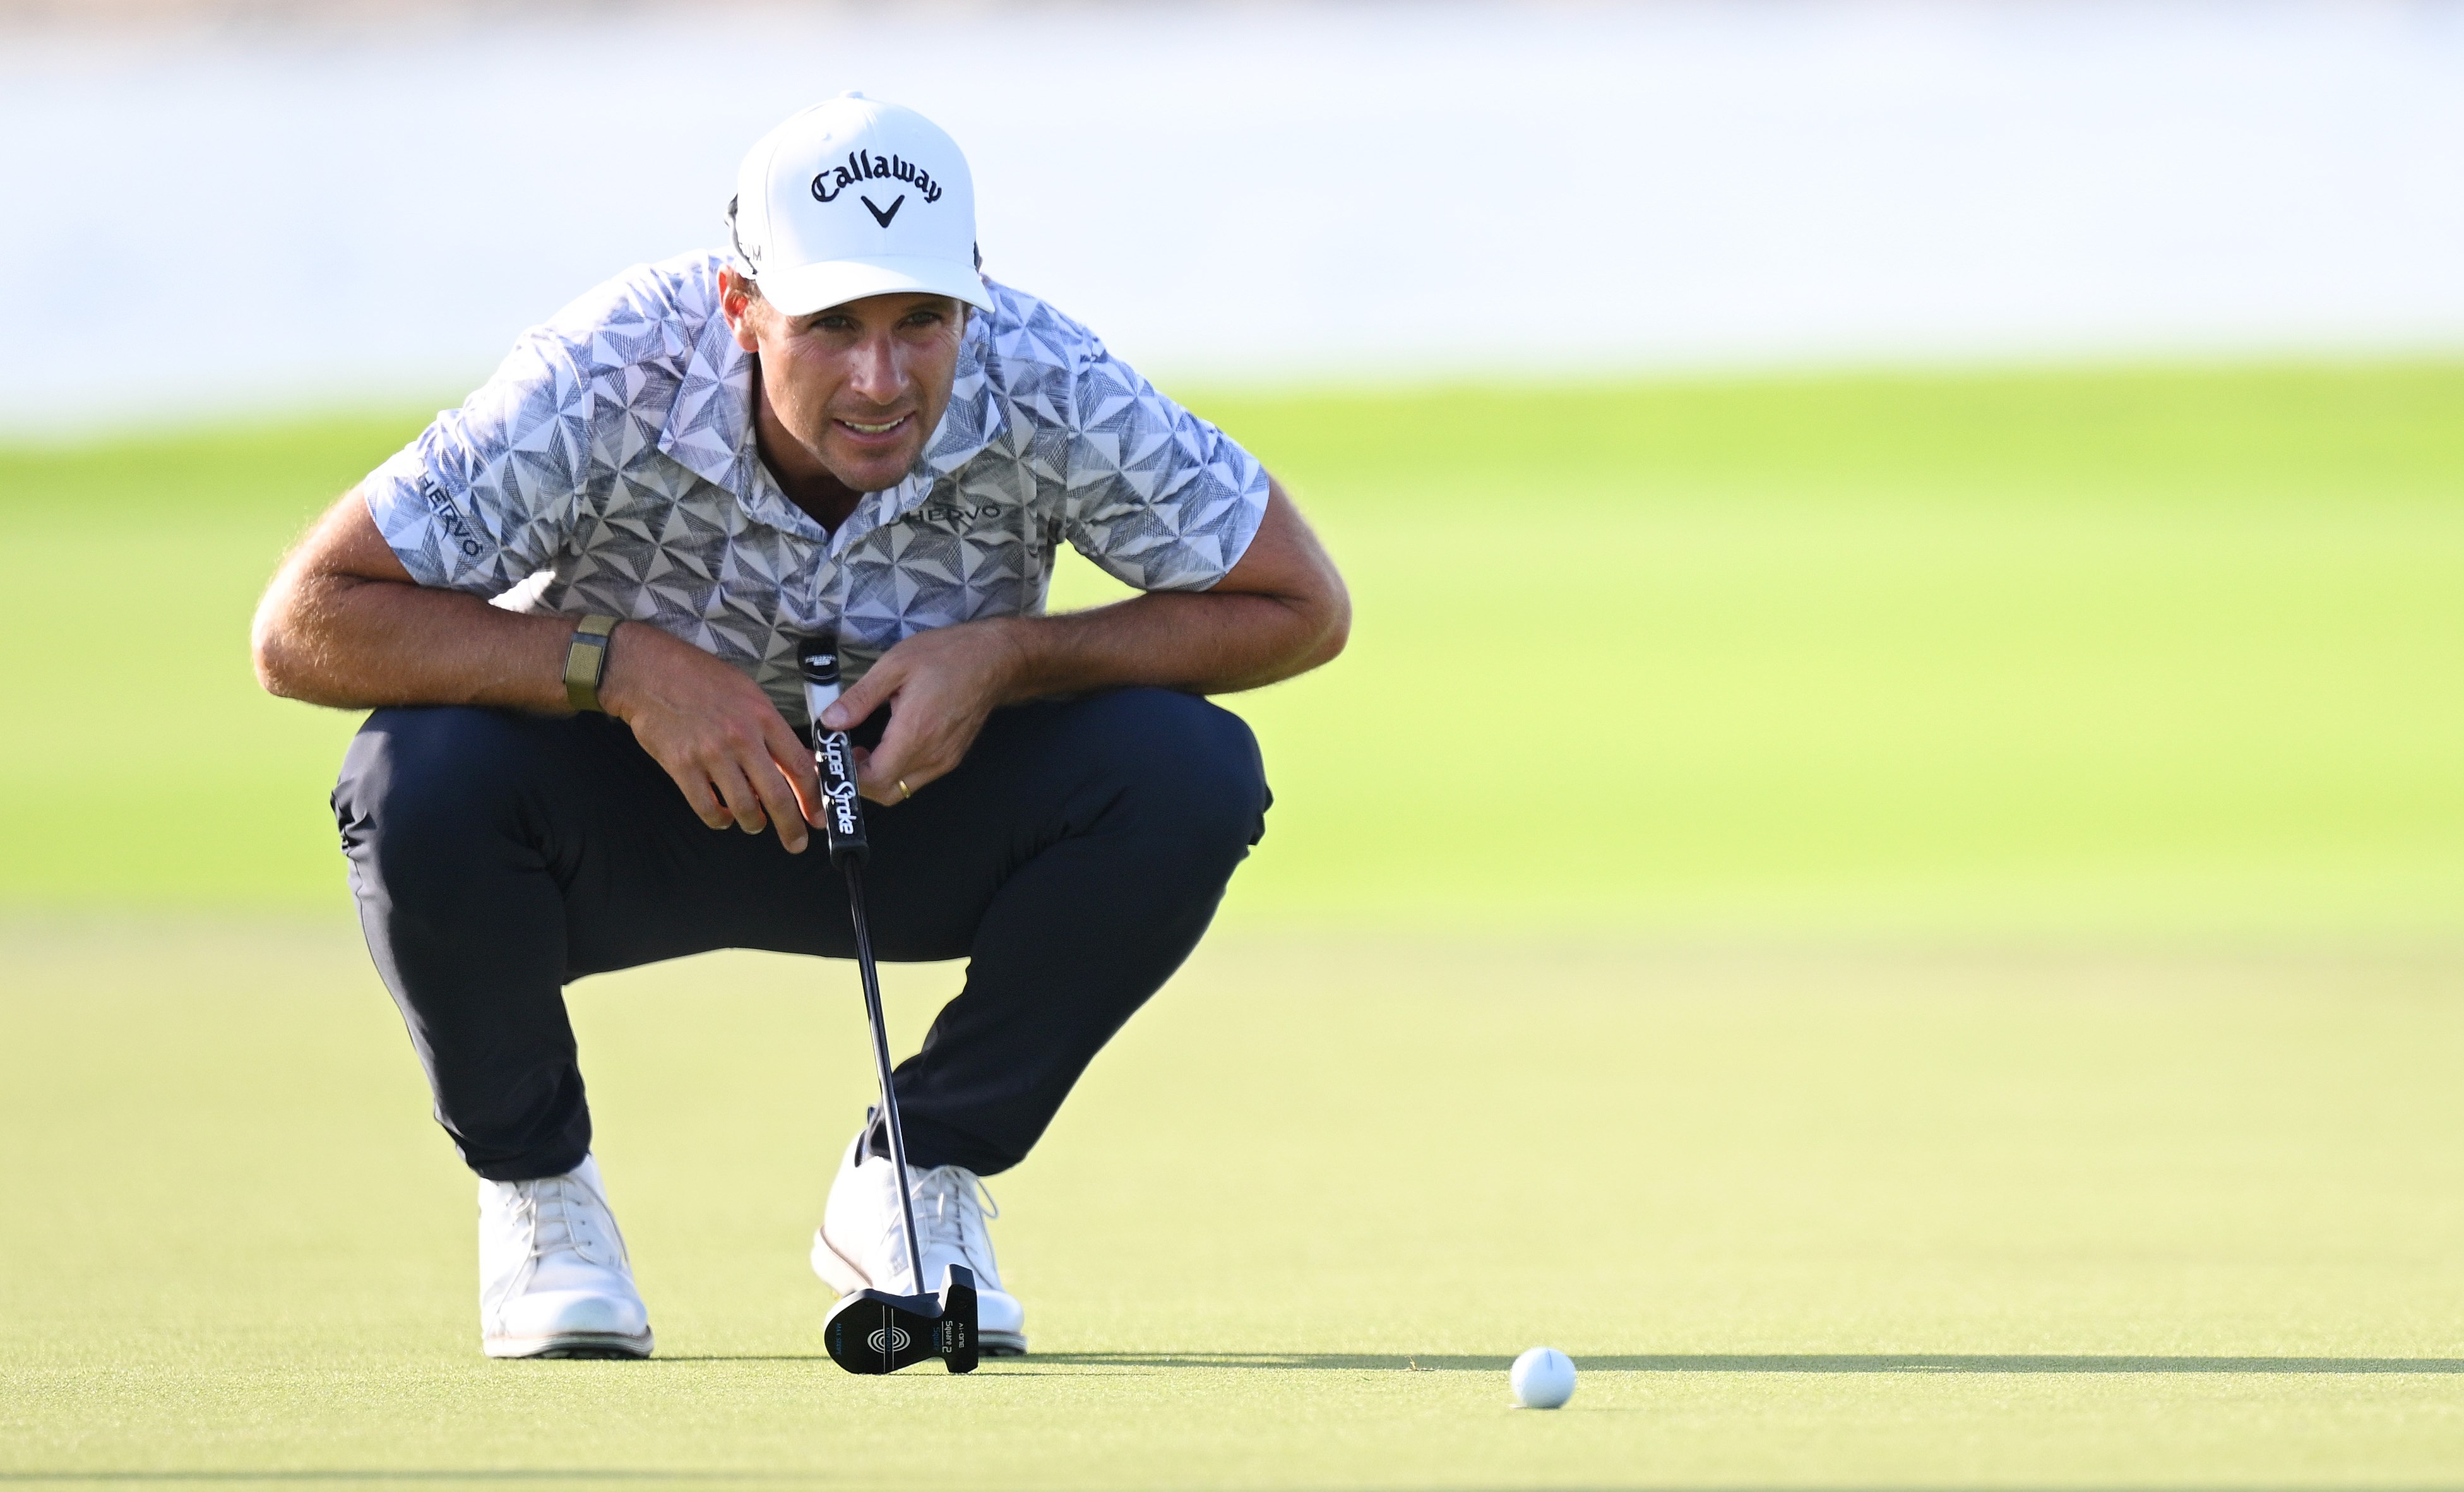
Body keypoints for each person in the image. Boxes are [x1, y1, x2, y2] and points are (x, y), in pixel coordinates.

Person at [249, 94, 1348, 1360]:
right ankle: (543, 1200)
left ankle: (917, 1172)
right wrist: (620, 667)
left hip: (914, 809)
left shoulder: (1047, 379)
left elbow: (1298, 605)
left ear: (971, 300)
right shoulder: (605, 370)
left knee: (1188, 769)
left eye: (921, 322)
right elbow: (306, 624)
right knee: (414, 775)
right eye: (831, 326)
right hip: (624, 822)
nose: (881, 381)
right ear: (740, 305)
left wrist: (1011, 656)